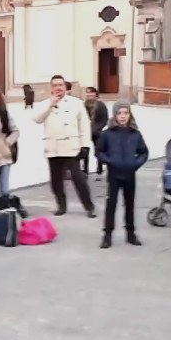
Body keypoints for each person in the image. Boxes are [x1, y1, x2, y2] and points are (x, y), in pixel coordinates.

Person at [33, 75, 96, 217]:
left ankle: (88, 206)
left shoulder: (77, 103)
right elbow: (36, 119)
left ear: (65, 87)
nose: (58, 88)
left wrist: (85, 145)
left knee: (78, 178)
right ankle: (61, 205)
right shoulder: (45, 103)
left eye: (60, 85)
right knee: (55, 180)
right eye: (55, 85)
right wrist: (50, 104)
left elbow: (84, 126)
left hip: (71, 147)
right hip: (53, 147)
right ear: (51, 88)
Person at [95, 102, 148, 249]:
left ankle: (131, 234)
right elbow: (99, 151)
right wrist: (109, 161)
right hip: (114, 175)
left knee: (129, 205)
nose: (123, 116)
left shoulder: (135, 134)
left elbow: (144, 152)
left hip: (130, 174)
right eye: (119, 113)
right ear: (115, 115)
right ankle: (107, 235)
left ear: (129, 115)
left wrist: (135, 163)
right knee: (111, 205)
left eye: (125, 113)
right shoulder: (107, 134)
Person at [83, 87, 109, 177]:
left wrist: (98, 128)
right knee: (85, 150)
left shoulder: (100, 105)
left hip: (96, 131)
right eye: (87, 93)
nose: (89, 95)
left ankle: (100, 168)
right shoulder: (83, 105)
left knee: (98, 149)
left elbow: (105, 119)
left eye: (91, 93)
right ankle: (85, 169)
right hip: (86, 131)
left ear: (95, 94)